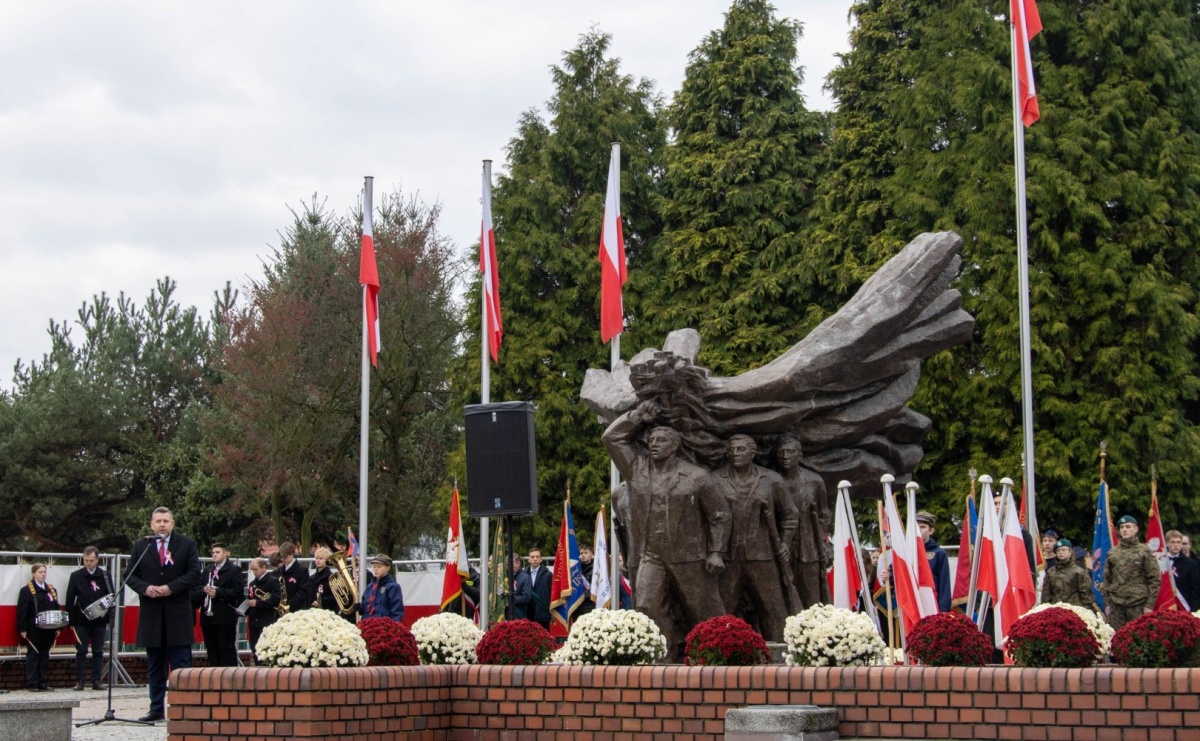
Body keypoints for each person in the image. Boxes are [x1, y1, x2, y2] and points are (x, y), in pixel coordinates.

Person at [602, 400, 732, 657]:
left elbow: (720, 514)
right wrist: (637, 417)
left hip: (689, 556)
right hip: (651, 554)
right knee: (646, 604)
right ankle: (667, 654)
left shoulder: (696, 476)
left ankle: (719, 654)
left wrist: (717, 551)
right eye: (651, 440)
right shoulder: (636, 470)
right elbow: (611, 438)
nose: (654, 444)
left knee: (703, 609)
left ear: (675, 447)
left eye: (661, 440)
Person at [713, 433, 799, 642]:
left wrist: (785, 543)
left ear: (752, 453)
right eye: (731, 450)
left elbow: (790, 514)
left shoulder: (771, 479)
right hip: (728, 557)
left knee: (773, 607)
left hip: (763, 555)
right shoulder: (715, 479)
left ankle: (783, 653)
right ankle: (714, 650)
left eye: (741, 449)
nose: (735, 453)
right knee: (720, 608)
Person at [125, 507, 202, 722]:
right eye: (158, 521)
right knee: (155, 665)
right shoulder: (142, 545)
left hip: (177, 613)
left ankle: (183, 709)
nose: (161, 524)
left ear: (173, 523)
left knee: (180, 665)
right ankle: (156, 708)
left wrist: (171, 587)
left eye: (166, 521)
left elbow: (194, 573)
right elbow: (130, 575)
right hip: (152, 614)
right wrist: (145, 588)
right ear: (151, 524)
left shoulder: (186, 544)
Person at [775, 434, 831, 609]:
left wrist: (822, 540)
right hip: (782, 546)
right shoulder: (773, 480)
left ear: (800, 455)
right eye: (782, 452)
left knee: (812, 595)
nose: (785, 456)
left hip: (809, 546)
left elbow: (824, 513)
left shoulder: (814, 481)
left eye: (790, 452)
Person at [64, 546, 113, 690]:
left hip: (99, 620)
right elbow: (69, 599)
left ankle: (96, 680)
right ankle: (80, 681)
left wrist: (108, 615)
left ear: (97, 560)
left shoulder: (105, 575)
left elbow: (110, 596)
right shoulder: (76, 576)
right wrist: (71, 621)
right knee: (81, 650)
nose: (88, 563)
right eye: (86, 560)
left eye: (91, 560)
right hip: (81, 620)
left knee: (98, 651)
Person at [1100, 515, 1160, 630]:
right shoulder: (1113, 552)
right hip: (1116, 605)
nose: (1124, 530)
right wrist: (1107, 604)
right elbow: (1107, 579)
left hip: (1138, 604)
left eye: (1128, 527)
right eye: (1122, 527)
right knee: (1116, 639)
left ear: (1136, 529)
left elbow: (1154, 579)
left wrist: (1149, 605)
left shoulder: (1145, 551)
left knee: (1138, 638)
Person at [190, 542, 244, 668]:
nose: (214, 555)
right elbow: (197, 589)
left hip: (225, 616)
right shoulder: (207, 571)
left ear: (226, 553)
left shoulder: (234, 570)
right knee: (212, 649)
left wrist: (218, 592)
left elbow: (237, 591)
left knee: (226, 648)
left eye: (217, 552)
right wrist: (204, 590)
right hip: (208, 618)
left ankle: (229, 677)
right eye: (213, 553)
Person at [17, 563, 63, 691]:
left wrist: (58, 627)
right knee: (33, 656)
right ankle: (33, 683)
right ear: (33, 574)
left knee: (44, 656)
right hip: (33, 629)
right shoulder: (26, 591)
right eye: (40, 572)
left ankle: (42, 682)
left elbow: (56, 608)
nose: (43, 574)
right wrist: (22, 629)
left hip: (48, 629)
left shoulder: (51, 590)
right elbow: (22, 611)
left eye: (44, 572)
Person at [1041, 538, 1097, 610]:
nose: (1061, 552)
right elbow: (1046, 595)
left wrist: (1086, 611)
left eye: (1063, 550)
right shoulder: (1051, 572)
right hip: (1055, 610)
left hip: (1075, 609)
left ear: (1070, 552)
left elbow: (1086, 594)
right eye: (1058, 550)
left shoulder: (1079, 572)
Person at [914, 511, 952, 612]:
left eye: (922, 527)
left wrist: (944, 609)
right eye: (916, 527)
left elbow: (944, 583)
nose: (918, 530)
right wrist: (888, 574)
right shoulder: (908, 551)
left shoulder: (939, 553)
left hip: (931, 602)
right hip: (913, 602)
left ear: (931, 531)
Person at [246, 558, 281, 663]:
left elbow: (275, 600)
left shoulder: (273, 581)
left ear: (264, 568)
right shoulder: (252, 584)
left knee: (266, 652)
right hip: (254, 622)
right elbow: (250, 597)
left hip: (266, 621)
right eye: (252, 570)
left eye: (256, 569)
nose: (254, 572)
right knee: (255, 650)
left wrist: (258, 603)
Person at [359, 554, 404, 620]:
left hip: (384, 627)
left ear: (388, 568)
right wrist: (357, 607)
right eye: (374, 567)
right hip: (367, 626)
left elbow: (396, 613)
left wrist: (392, 628)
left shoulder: (393, 587)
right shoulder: (369, 587)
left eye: (379, 567)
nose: (375, 569)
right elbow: (363, 610)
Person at [1165, 530, 1200, 610]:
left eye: (1178, 542)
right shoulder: (1160, 561)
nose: (1176, 545)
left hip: (1184, 605)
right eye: (1172, 542)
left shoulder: (1191, 563)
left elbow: (1195, 588)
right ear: (1166, 544)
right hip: (1165, 603)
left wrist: (1194, 609)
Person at [273, 542, 312, 614]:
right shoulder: (279, 571)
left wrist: (289, 605)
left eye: (285, 557)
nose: (283, 559)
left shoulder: (302, 570)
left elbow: (303, 592)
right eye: (282, 557)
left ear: (292, 554)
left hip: (296, 611)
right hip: (280, 611)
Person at [526, 548, 553, 631]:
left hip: (542, 614)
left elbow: (551, 593)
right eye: (532, 557)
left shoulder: (548, 575)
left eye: (537, 557)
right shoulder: (523, 575)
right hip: (527, 614)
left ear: (541, 559)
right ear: (529, 559)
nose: (535, 559)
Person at [311, 547, 339, 612]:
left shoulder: (332, 577)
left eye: (321, 558)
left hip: (328, 611)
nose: (318, 560)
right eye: (316, 558)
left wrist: (320, 602)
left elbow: (334, 597)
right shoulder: (311, 578)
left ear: (326, 560)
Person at [508, 555, 532, 620]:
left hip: (518, 615)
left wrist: (509, 599)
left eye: (511, 563)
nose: (509, 566)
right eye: (507, 564)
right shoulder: (505, 576)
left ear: (518, 563)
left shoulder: (525, 577)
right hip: (505, 615)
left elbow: (526, 597)